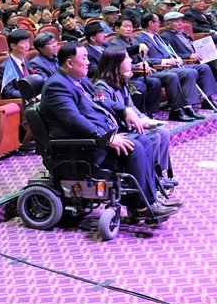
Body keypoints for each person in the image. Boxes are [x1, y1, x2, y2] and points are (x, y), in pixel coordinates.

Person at [39, 41, 177, 220]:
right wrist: (106, 138)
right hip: (82, 146)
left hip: (100, 135)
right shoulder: (57, 86)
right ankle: (141, 206)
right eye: (84, 58)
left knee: (143, 139)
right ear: (70, 62)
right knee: (134, 146)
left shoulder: (82, 81)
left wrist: (124, 109)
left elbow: (101, 99)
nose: (88, 62)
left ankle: (150, 199)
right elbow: (73, 120)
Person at [94, 46, 178, 202]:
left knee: (163, 132)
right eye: (126, 58)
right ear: (116, 63)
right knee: (153, 137)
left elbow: (132, 108)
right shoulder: (100, 86)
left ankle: (159, 174)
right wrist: (137, 122)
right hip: (118, 129)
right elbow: (103, 104)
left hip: (130, 125)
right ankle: (150, 178)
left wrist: (146, 120)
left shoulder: (121, 81)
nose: (131, 60)